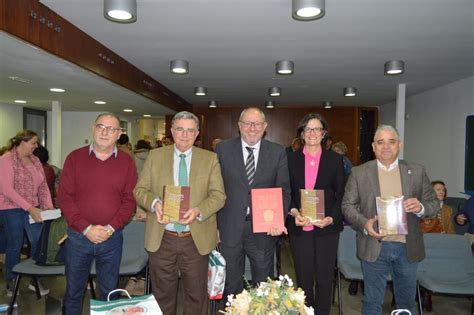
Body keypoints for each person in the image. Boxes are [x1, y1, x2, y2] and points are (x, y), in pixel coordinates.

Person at [134, 111, 226, 315]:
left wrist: (199, 210)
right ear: (172, 131)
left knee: (196, 296)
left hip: (195, 238)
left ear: (197, 134)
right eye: (180, 129)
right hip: (162, 237)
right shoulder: (155, 156)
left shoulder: (210, 159)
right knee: (162, 296)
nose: (185, 135)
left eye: (190, 130)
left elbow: (219, 196)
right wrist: (155, 203)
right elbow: (140, 191)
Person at [342, 125, 438, 315]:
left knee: (405, 304)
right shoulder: (359, 172)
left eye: (391, 142)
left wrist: (420, 207)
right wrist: (364, 224)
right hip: (374, 246)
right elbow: (347, 206)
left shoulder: (417, 171)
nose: (386, 146)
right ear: (373, 146)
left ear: (399, 145)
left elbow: (433, 203)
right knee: (371, 302)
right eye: (380, 142)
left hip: (407, 247)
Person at [58, 113, 137, 315]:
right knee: (74, 292)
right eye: (101, 126)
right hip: (77, 238)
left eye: (111, 129)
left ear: (119, 134)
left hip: (111, 238)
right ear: (93, 128)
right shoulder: (75, 158)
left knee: (110, 293)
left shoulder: (127, 162)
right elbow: (65, 197)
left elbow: (129, 200)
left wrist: (110, 228)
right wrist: (86, 228)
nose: (105, 132)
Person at [215, 107, 291, 302]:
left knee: (264, 286)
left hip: (264, 230)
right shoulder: (223, 149)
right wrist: (214, 226)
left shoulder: (277, 152)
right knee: (231, 285)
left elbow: (283, 190)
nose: (252, 128)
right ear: (239, 126)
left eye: (257, 124)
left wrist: (278, 220)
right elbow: (215, 188)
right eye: (247, 123)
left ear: (265, 127)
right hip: (229, 227)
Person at [286, 113, 344, 313]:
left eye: (317, 129)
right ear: (301, 134)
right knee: (303, 278)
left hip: (326, 229)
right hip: (300, 228)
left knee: (324, 278)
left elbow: (340, 194)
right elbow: (287, 192)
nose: (312, 133)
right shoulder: (290, 159)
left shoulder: (335, 160)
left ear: (324, 133)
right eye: (308, 129)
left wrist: (331, 218)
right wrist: (294, 212)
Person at [0, 130, 53, 297]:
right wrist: (30, 208)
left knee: (38, 241)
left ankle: (35, 278)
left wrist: (48, 207)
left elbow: (43, 185)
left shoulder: (35, 160)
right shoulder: (6, 160)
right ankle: (11, 279)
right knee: (15, 244)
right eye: (33, 143)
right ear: (22, 142)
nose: (36, 146)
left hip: (34, 207)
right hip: (11, 208)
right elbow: (7, 190)